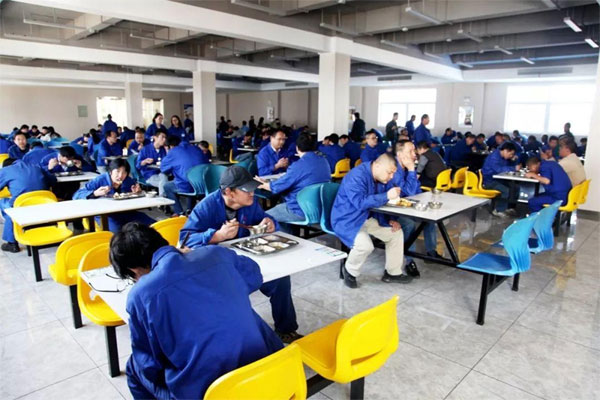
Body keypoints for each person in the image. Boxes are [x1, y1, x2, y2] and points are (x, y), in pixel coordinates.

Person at [110, 222, 282, 399]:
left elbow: (149, 365)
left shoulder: (141, 294)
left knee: (134, 367)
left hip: (213, 393)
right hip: (270, 371)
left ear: (133, 270)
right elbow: (254, 277)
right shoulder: (215, 253)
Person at [179, 166, 301, 343]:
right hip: (217, 266)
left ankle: (286, 329)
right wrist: (217, 236)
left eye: (252, 188)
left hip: (245, 258)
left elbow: (265, 219)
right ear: (229, 192)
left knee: (281, 279)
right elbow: (185, 239)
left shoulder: (250, 204)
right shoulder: (207, 207)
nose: (252, 193)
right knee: (233, 293)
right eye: (247, 189)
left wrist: (271, 224)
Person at [332, 153, 411, 288]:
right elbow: (360, 202)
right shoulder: (357, 176)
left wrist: (391, 219)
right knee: (365, 245)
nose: (391, 177)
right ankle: (350, 271)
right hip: (347, 219)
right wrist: (387, 195)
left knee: (395, 233)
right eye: (389, 172)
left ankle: (393, 272)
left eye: (393, 173)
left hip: (367, 217)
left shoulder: (382, 178)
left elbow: (386, 200)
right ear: (377, 165)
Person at [382, 141, 440, 277]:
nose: (415, 154)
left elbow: (416, 191)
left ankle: (431, 252)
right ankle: (409, 260)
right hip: (390, 210)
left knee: (430, 218)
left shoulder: (406, 168)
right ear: (400, 154)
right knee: (408, 224)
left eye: (414, 151)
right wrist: (412, 170)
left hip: (405, 205)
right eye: (411, 151)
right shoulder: (394, 170)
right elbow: (408, 192)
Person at [258, 133, 331, 230]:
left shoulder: (298, 165)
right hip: (322, 209)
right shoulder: (324, 161)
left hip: (300, 210)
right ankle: (290, 232)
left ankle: (286, 236)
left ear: (297, 148)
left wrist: (262, 184)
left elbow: (276, 187)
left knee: (264, 217)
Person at [73, 159, 155, 232]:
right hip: (106, 215)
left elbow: (138, 193)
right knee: (118, 233)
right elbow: (77, 195)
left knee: (153, 225)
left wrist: (138, 192)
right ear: (111, 171)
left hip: (126, 212)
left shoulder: (128, 181)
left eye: (124, 172)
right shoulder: (100, 180)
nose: (120, 176)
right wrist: (95, 193)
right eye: (117, 171)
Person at [0, 158, 56, 252]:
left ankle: (12, 243)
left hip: (22, 205)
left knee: (6, 205)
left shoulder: (6, 170)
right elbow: (53, 181)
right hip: (45, 202)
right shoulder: (36, 167)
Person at [161, 136, 209, 216]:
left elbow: (163, 169)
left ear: (171, 146)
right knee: (191, 181)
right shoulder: (196, 148)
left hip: (187, 186)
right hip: (203, 185)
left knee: (167, 186)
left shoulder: (174, 151)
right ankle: (189, 210)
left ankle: (179, 213)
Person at [481, 142, 520, 218]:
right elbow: (499, 169)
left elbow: (507, 167)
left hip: (499, 180)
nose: (511, 156)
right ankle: (498, 210)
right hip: (489, 181)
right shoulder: (494, 157)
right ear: (506, 150)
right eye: (511, 154)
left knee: (516, 188)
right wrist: (514, 168)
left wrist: (513, 161)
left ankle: (509, 207)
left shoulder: (503, 157)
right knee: (506, 191)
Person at [137, 130, 168, 195]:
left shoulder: (163, 149)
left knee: (164, 180)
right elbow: (138, 165)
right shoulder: (145, 149)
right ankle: (163, 199)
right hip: (150, 175)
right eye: (162, 137)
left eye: (165, 137)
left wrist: (167, 151)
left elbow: (167, 163)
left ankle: (162, 200)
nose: (164, 139)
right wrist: (145, 161)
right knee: (164, 183)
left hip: (161, 173)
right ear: (155, 137)